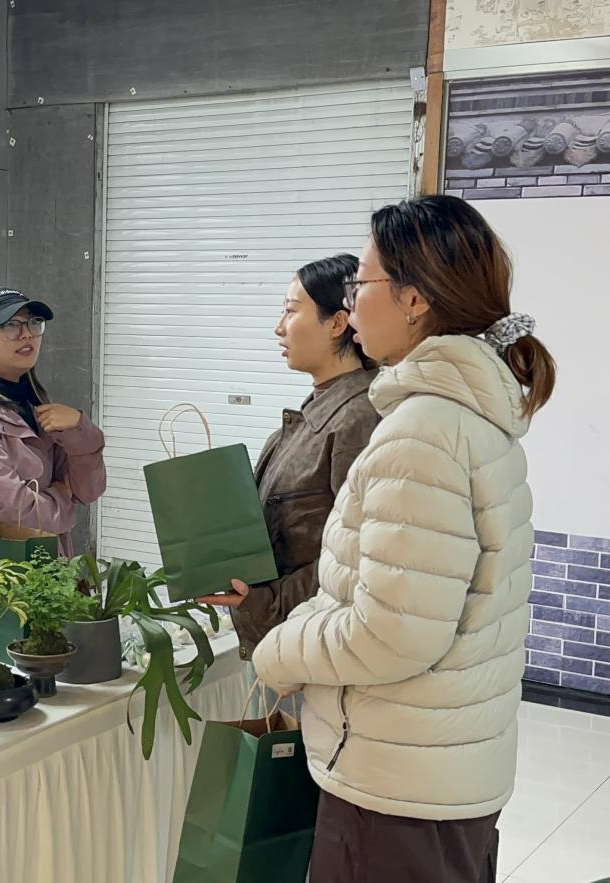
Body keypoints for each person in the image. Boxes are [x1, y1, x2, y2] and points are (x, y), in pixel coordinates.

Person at [253, 195, 555, 883]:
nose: (352, 304)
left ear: (414, 298)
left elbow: (391, 632)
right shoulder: (470, 415)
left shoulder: (423, 431)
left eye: (361, 283)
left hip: (397, 787)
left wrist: (278, 649)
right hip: (439, 771)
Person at [200, 255, 380, 668]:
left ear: (337, 324)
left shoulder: (359, 419)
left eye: (290, 310)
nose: (279, 327)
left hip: (316, 651)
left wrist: (267, 601)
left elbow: (360, 559)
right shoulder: (314, 414)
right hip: (286, 643)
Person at [0, 287, 106, 556]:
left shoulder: (36, 404)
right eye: (10, 325)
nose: (27, 333)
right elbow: (7, 507)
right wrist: (62, 498)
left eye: (34, 322)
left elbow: (88, 491)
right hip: (5, 575)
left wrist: (81, 429)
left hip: (51, 567)